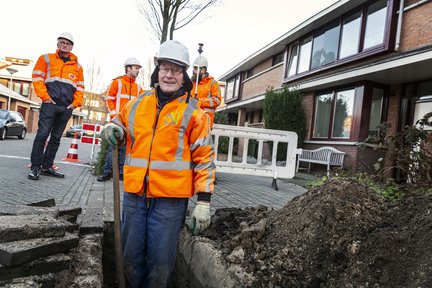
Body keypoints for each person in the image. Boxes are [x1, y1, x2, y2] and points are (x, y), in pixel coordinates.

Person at [101, 40, 215, 287]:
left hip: (169, 203)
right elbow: (120, 123)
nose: (169, 75)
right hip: (134, 197)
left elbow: (205, 158)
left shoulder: (194, 113)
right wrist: (112, 127)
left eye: (175, 70)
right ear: (157, 70)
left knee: (160, 265)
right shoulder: (138, 104)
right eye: (165, 68)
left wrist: (204, 201)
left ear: (184, 74)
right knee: (129, 259)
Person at [28, 32, 84, 180]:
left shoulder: (78, 66)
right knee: (42, 135)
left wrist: (74, 105)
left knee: (56, 138)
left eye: (68, 43)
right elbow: (37, 78)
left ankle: (47, 167)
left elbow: (80, 88)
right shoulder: (46, 58)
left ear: (72, 46)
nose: (65, 45)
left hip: (66, 108)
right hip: (49, 105)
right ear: (58, 44)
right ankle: (35, 167)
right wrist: (45, 97)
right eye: (62, 42)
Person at [97, 57, 143, 182]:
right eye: (136, 68)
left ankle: (122, 173)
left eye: (139, 68)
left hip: (130, 122)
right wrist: (114, 116)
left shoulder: (139, 88)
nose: (138, 71)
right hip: (117, 121)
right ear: (128, 68)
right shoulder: (117, 82)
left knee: (125, 148)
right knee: (113, 146)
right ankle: (107, 172)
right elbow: (108, 98)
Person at [191, 55, 222, 128]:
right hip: (190, 122)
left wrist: (199, 101)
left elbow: (217, 101)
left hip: (205, 123)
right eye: (193, 68)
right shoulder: (191, 84)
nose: (193, 70)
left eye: (196, 68)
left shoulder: (213, 83)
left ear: (203, 70)